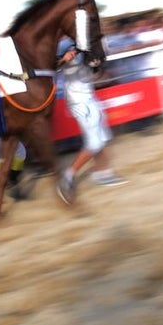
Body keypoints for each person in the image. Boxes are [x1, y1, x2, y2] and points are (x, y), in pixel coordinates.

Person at [54, 38, 126, 206]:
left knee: (104, 135)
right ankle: (67, 177)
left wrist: (96, 65)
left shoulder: (90, 42)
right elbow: (50, 67)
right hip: (78, 100)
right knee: (94, 142)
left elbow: (98, 73)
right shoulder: (63, 44)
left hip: (90, 96)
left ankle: (103, 173)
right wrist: (63, 59)